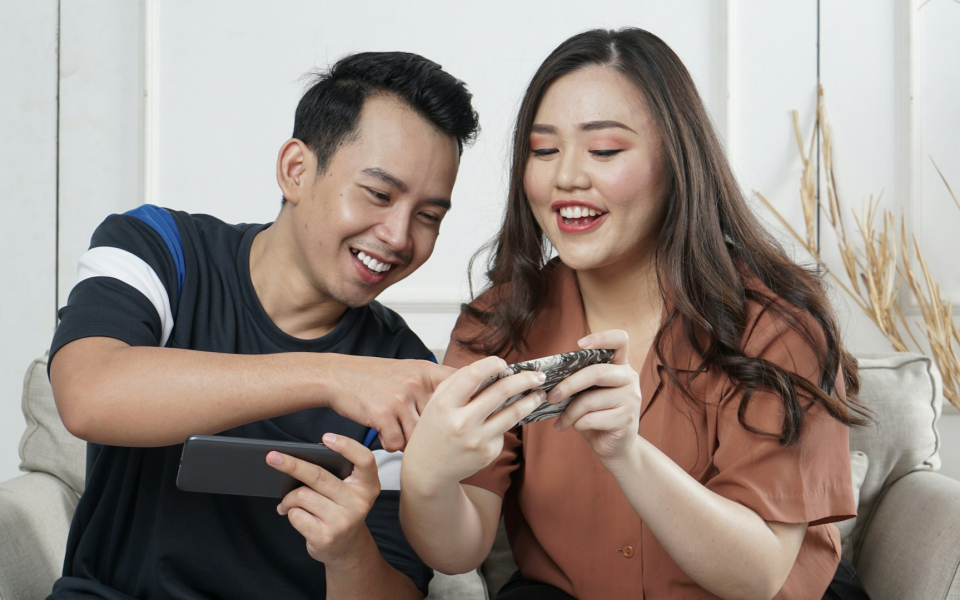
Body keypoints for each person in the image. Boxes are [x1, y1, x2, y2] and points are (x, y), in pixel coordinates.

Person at [400, 28, 871, 600]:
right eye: (543, 151)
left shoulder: (777, 325)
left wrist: (627, 453)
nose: (566, 177)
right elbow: (459, 548)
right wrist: (426, 477)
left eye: (604, 151)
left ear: (677, 160)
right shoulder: (499, 322)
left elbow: (759, 575)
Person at [47, 51, 479, 599]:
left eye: (428, 216)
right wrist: (332, 377)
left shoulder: (400, 372)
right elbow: (88, 395)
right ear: (296, 170)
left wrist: (348, 552)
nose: (398, 236)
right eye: (378, 194)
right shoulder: (159, 248)